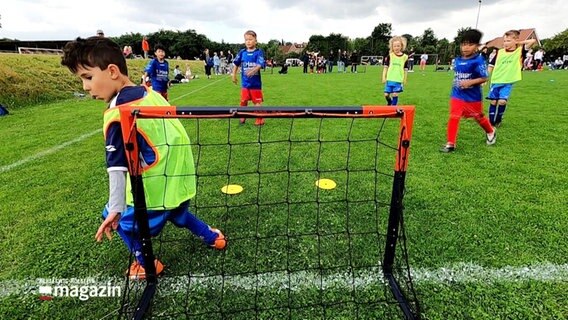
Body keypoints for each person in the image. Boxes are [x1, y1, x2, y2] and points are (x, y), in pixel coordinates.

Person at [60, 36, 226, 280]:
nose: (85, 87)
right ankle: (212, 237)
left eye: (88, 77)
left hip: (151, 192)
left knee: (114, 218)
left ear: (113, 71)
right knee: (178, 214)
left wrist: (116, 209)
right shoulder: (150, 94)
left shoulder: (118, 113)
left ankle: (146, 262)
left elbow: (116, 167)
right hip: (178, 181)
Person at [440, 29, 496, 153]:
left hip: (473, 97)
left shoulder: (478, 60)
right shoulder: (458, 59)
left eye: (470, 44)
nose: (466, 47)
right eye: (463, 44)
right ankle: (451, 143)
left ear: (477, 46)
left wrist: (469, 82)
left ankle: (491, 131)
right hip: (457, 94)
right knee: (454, 116)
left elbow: (484, 77)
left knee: (478, 117)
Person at [486, 30, 536, 127]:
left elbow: (532, 41)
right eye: (504, 41)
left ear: (516, 41)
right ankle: (491, 122)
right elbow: (491, 65)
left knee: (502, 101)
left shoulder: (520, 51)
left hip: (508, 81)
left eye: (508, 41)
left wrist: (519, 43)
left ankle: (498, 120)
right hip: (496, 80)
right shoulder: (499, 52)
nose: (505, 43)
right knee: (493, 101)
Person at [232, 30, 266, 126]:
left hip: (255, 84)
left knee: (257, 102)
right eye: (246, 39)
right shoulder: (242, 52)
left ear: (255, 40)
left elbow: (260, 64)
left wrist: (254, 69)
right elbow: (236, 64)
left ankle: (260, 119)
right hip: (245, 83)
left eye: (251, 39)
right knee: (243, 101)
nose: (248, 41)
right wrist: (233, 75)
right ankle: (243, 116)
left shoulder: (258, 52)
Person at [381, 36, 409, 106]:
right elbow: (385, 67)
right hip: (389, 79)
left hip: (398, 80)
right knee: (386, 94)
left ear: (401, 46)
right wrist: (383, 77)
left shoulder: (405, 57)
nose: (396, 47)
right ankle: (389, 102)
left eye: (398, 46)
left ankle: (393, 108)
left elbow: (405, 69)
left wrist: (405, 79)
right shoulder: (390, 56)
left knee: (395, 94)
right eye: (395, 46)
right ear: (392, 47)